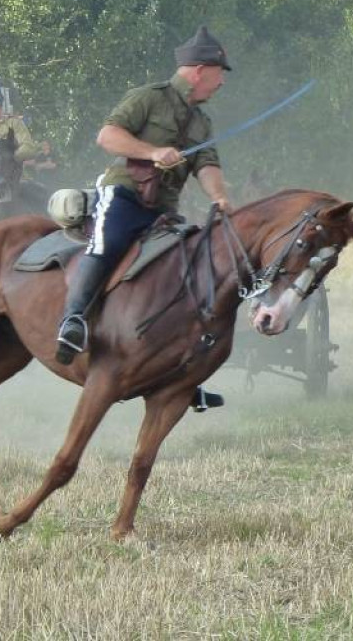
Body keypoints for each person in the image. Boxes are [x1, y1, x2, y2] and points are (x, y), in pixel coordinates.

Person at [54, 25, 234, 411]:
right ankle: (73, 322)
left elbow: (207, 165)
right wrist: (153, 152)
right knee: (108, 244)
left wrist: (219, 197)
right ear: (200, 70)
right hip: (124, 195)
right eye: (220, 73)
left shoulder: (202, 122)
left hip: (164, 211)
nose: (222, 83)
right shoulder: (148, 98)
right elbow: (107, 136)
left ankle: (181, 371)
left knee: (191, 270)